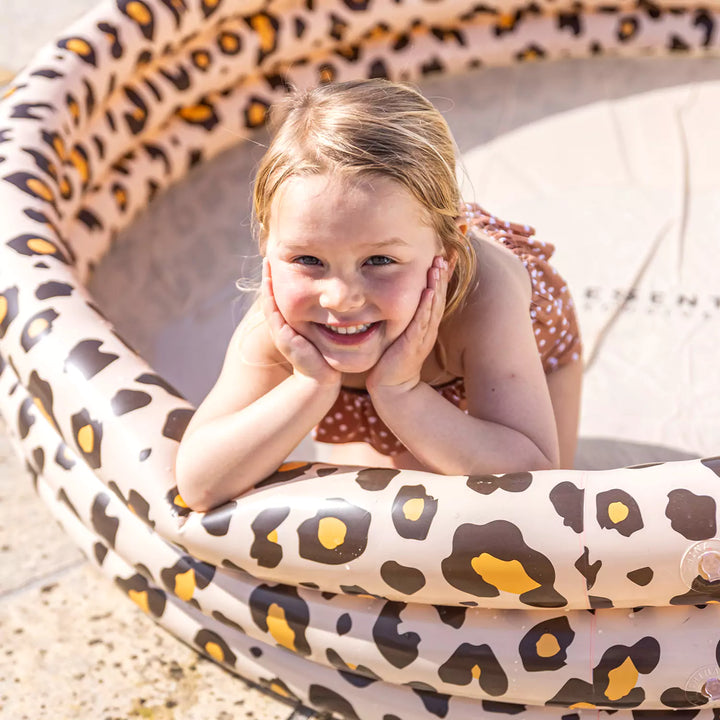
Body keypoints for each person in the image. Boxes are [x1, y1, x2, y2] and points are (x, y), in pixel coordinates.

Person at [175, 78, 583, 512]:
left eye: (380, 261)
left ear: (447, 251)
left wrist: (402, 392)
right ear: (267, 246)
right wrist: (309, 385)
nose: (340, 298)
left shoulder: (485, 300)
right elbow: (200, 484)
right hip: (390, 382)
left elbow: (536, 478)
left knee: (517, 522)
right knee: (379, 511)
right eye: (308, 260)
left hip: (535, 357)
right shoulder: (277, 316)